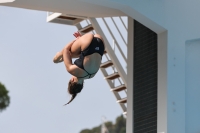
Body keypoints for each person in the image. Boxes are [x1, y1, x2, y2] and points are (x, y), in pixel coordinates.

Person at [53, 32, 105, 105]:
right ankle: (57, 57)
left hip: (100, 43)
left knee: (74, 55)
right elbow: (66, 50)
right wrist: (77, 40)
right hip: (87, 43)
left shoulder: (92, 75)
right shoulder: (72, 71)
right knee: (66, 54)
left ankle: (59, 58)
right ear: (72, 80)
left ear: (82, 84)